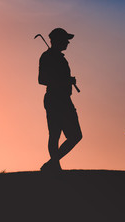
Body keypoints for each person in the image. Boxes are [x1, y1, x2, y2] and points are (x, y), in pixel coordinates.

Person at [38, 28, 82, 173]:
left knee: (75, 135)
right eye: (65, 39)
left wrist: (67, 81)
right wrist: (65, 80)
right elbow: (42, 79)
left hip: (64, 99)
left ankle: (52, 164)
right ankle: (54, 166)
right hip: (54, 99)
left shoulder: (61, 59)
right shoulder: (47, 57)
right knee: (55, 134)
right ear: (57, 40)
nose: (68, 42)